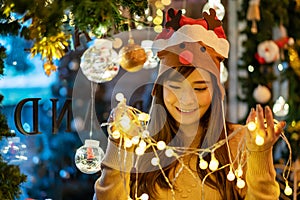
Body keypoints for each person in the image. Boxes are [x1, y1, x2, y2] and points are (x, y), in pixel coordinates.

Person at [93, 8, 285, 200]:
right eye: (175, 87)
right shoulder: (136, 145)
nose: (186, 99)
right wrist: (117, 146)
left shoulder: (240, 143)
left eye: (200, 88)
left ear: (216, 92)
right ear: (159, 89)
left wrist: (260, 153)